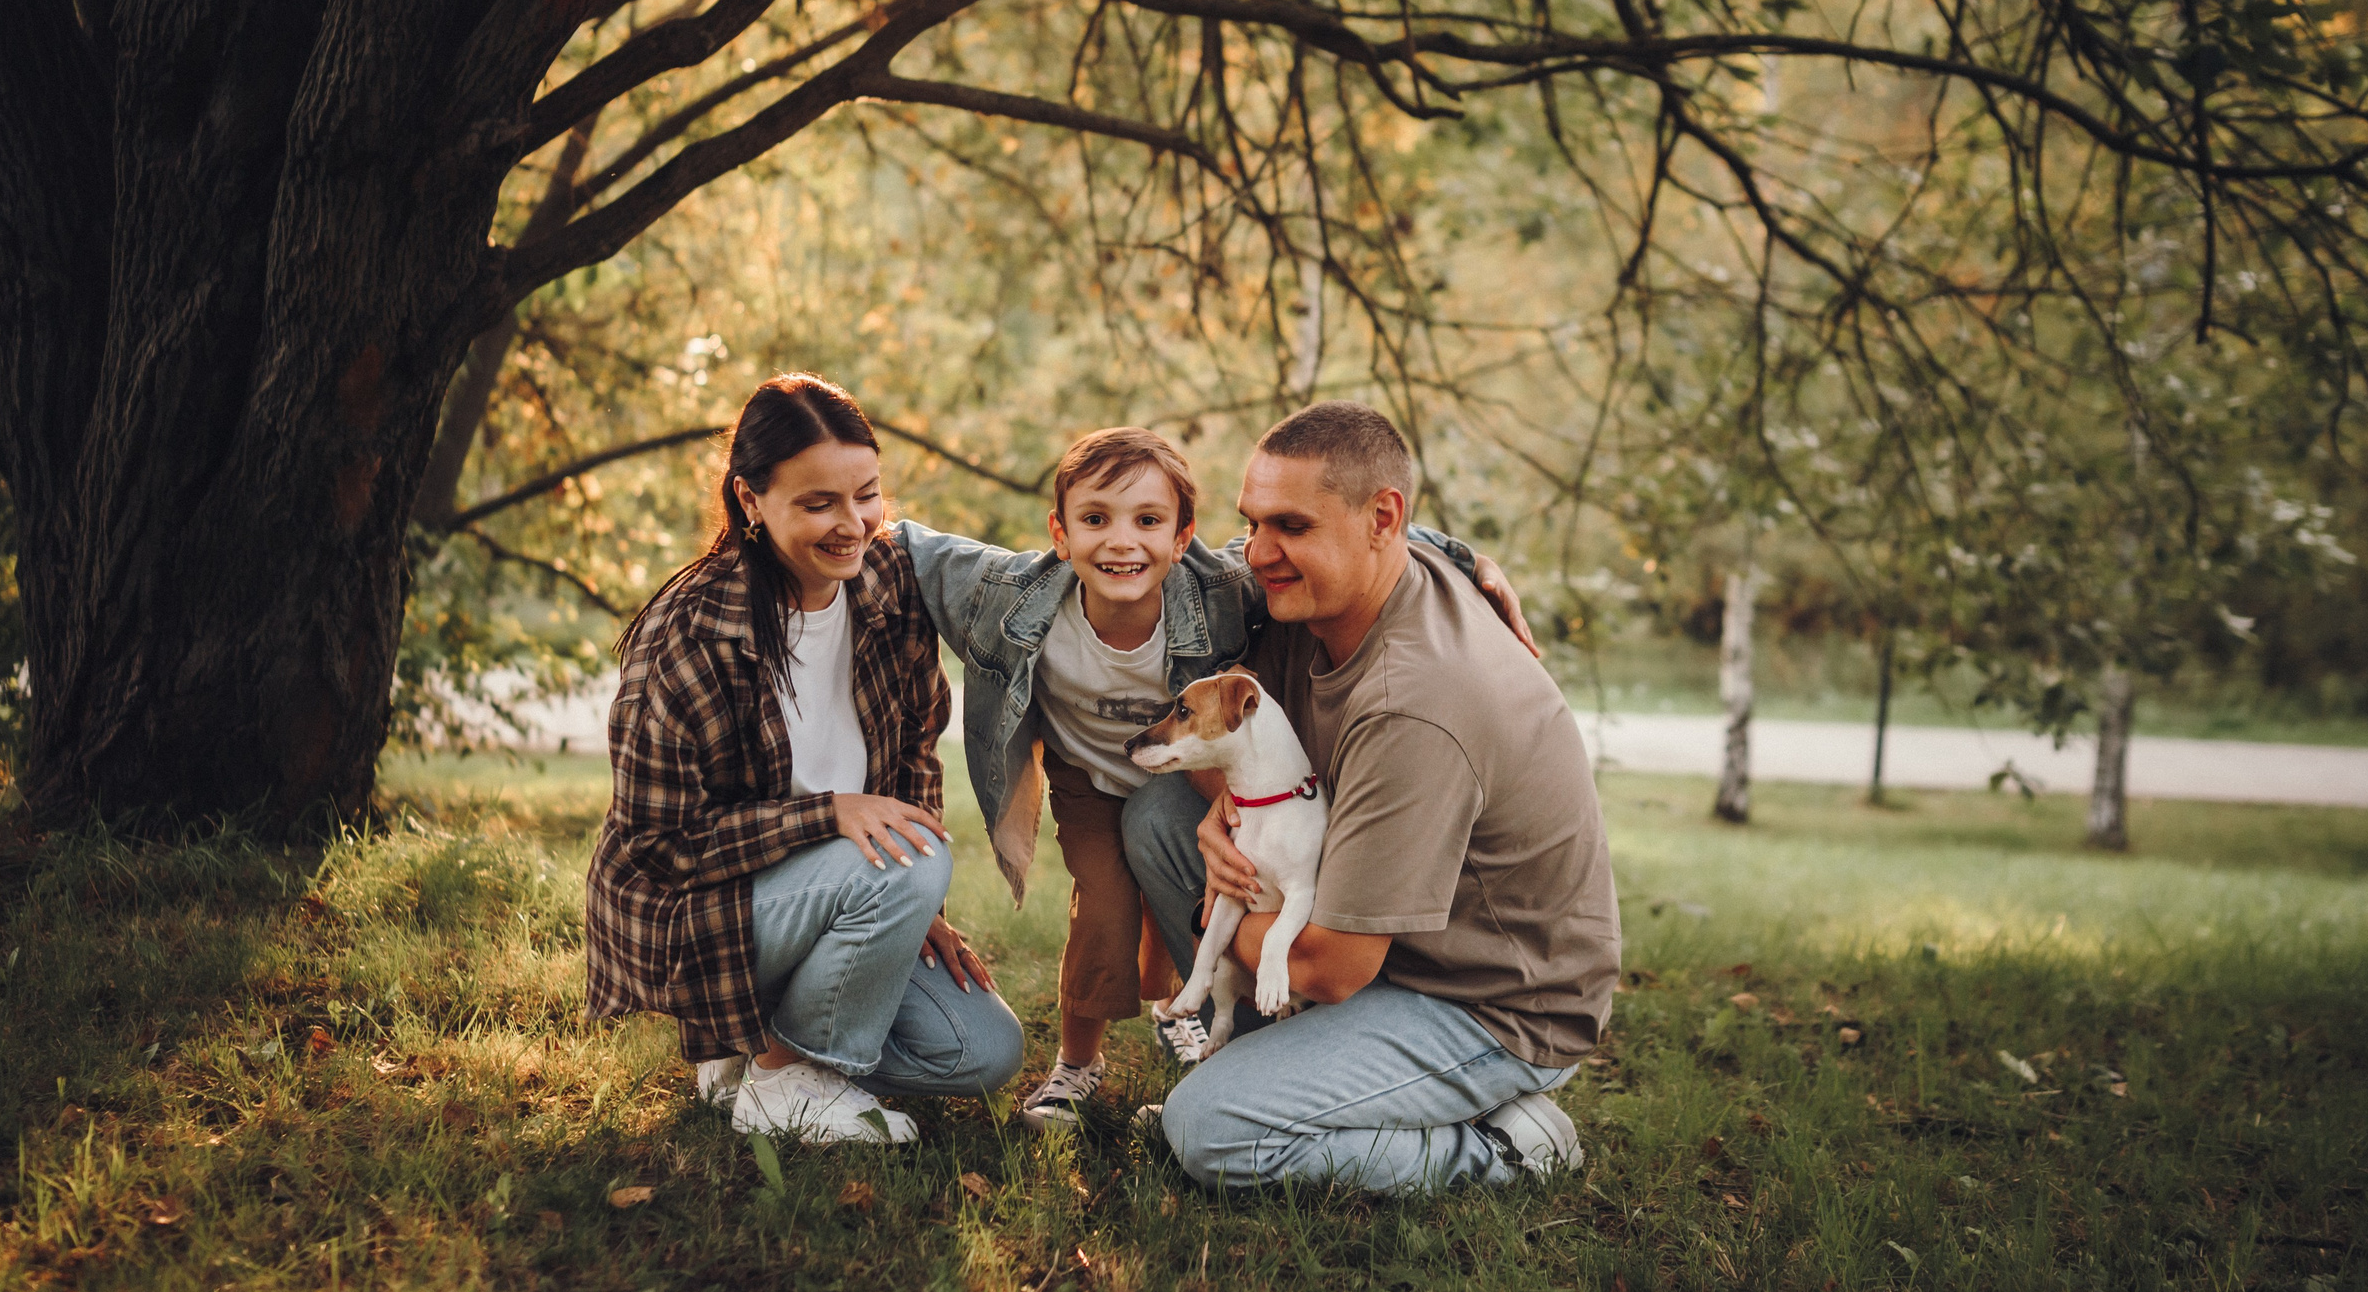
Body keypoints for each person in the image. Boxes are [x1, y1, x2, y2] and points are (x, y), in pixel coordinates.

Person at [898, 429, 1533, 1128]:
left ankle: (1195, 1013)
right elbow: (915, 548)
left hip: (1185, 775)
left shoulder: (1221, 587)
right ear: (1060, 531)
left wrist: (1467, 558)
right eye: (1095, 519)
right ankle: (1077, 1064)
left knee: (1211, 875)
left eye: (1147, 520)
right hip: (1089, 777)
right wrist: (848, 522)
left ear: (1183, 537)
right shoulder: (1014, 595)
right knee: (1105, 908)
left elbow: (1357, 529)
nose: (1121, 542)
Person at [1124, 401, 1621, 1192]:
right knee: (1158, 815)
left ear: (1384, 519)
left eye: (1290, 526)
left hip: (1488, 1001)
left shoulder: (1414, 704)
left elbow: (1329, 967)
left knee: (1208, 1131)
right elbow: (1145, 564)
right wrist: (1229, 802)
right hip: (1377, 942)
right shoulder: (1323, 588)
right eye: (1252, 522)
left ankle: (1504, 1147)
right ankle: (1272, 1065)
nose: (1258, 553)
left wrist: (1206, 917)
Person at [585, 373, 1023, 1144]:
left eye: (867, 495)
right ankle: (784, 1078)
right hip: (707, 916)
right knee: (911, 858)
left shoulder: (888, 582)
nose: (852, 525)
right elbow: (659, 845)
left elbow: (914, 753)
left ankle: (748, 1048)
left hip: (844, 896)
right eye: (819, 504)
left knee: (983, 1050)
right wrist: (829, 818)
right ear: (751, 500)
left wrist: (918, 911)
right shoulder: (690, 635)